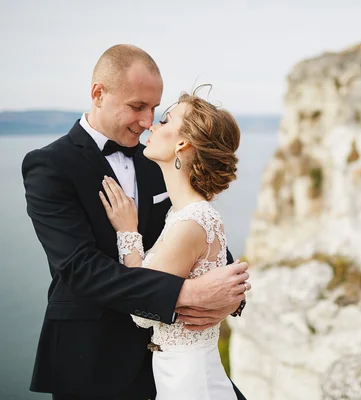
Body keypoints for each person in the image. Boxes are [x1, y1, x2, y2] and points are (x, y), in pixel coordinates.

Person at [22, 44, 249, 400]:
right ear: (99, 94)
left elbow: (200, 236)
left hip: (173, 358)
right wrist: (185, 295)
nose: (147, 121)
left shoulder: (157, 160)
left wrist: (230, 297)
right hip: (94, 359)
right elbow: (78, 268)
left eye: (155, 109)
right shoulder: (49, 166)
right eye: (137, 107)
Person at [99, 87, 244, 399]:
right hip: (178, 369)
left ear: (182, 143)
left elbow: (142, 311)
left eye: (165, 121)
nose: (152, 125)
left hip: (188, 378)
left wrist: (128, 233)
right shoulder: (185, 214)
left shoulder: (190, 223)